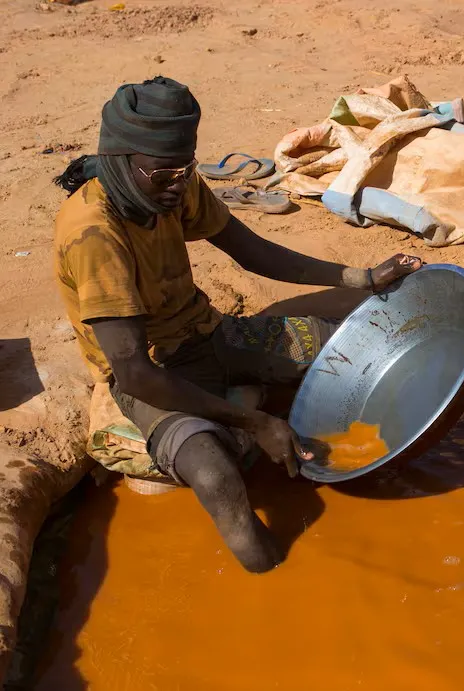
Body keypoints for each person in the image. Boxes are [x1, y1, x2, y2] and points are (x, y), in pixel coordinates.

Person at [53, 76, 422, 572]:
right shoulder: (95, 235)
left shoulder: (171, 184)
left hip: (208, 333)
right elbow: (137, 372)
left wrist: (361, 277)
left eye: (185, 170)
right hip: (154, 374)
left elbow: (250, 251)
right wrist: (258, 423)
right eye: (163, 174)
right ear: (120, 160)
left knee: (351, 349)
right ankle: (271, 571)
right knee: (214, 473)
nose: (178, 184)